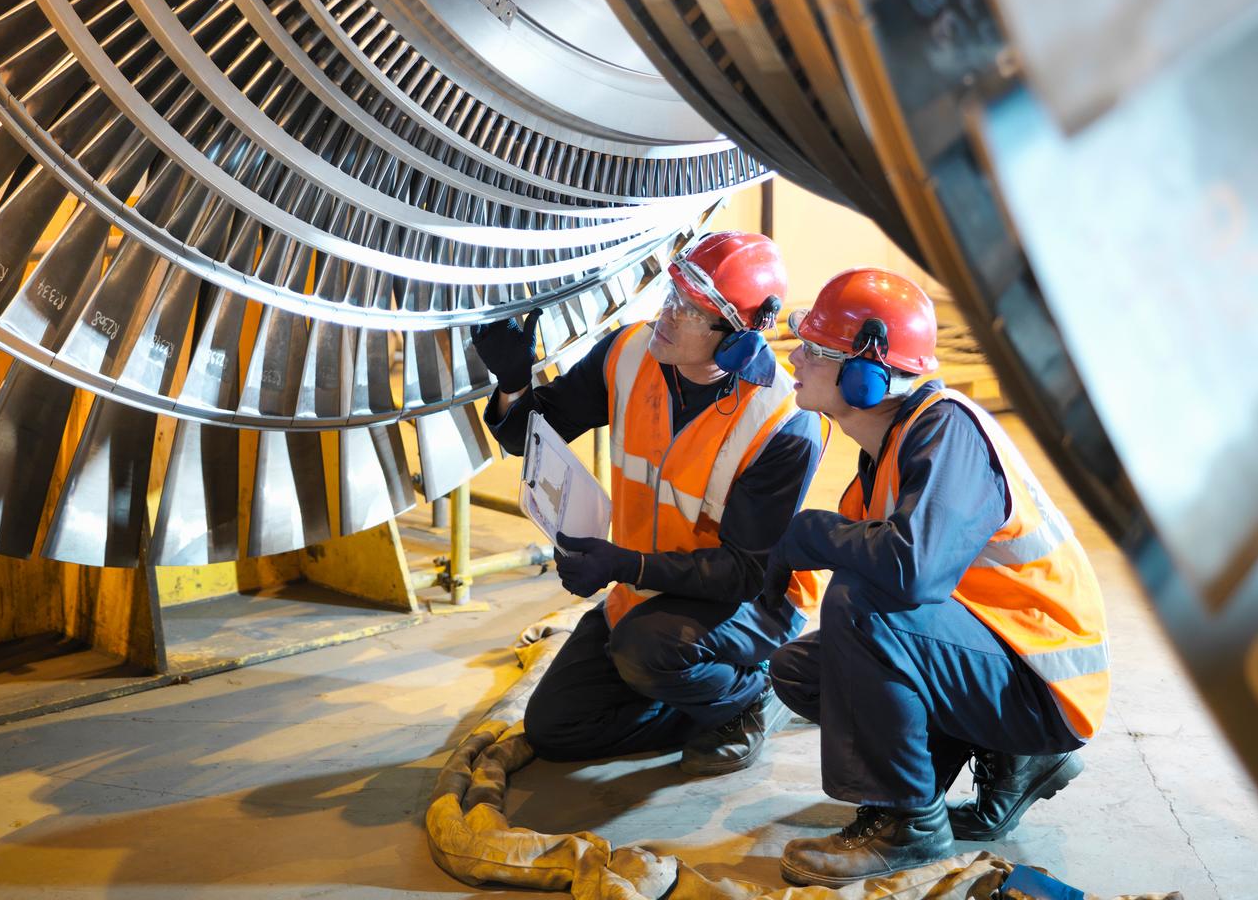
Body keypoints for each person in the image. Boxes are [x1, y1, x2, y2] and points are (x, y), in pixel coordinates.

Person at [762, 267, 1109, 887]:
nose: (796, 360)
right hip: (1003, 659)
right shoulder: (886, 453)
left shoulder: (948, 432)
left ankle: (907, 825)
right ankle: (1013, 758)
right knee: (805, 671)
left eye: (816, 351)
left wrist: (813, 533)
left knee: (864, 604)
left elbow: (910, 572)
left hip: (1044, 679)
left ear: (867, 375)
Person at [471, 231, 827, 775]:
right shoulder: (629, 353)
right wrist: (516, 383)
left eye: (689, 309)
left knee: (645, 649)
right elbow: (533, 435)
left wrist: (621, 563)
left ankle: (753, 692)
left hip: (752, 603)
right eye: (672, 294)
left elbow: (743, 573)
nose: (667, 312)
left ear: (736, 341)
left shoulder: (784, 424)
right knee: (556, 728)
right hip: (648, 589)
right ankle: (695, 699)